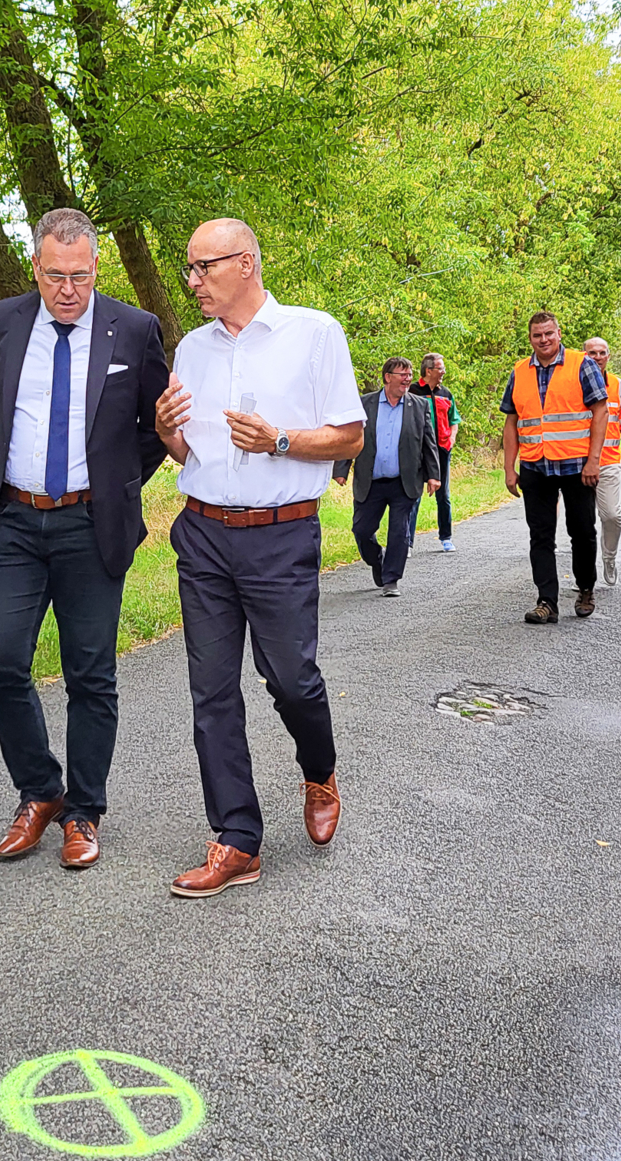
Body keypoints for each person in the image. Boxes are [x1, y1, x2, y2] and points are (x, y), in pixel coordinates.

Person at [153, 218, 366, 898]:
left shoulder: (314, 333)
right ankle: (237, 840)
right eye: (190, 270)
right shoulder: (191, 349)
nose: (193, 283)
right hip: (204, 533)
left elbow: (349, 439)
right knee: (211, 691)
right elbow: (193, 453)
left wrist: (278, 441)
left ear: (244, 263)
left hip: (281, 535)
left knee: (291, 679)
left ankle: (320, 769)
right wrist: (165, 435)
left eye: (202, 268)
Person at [0, 208, 170, 871]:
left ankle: (84, 811)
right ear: (36, 268)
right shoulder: (3, 321)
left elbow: (155, 424)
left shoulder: (134, 329)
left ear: (96, 269)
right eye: (54, 276)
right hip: (15, 520)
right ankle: (40, 791)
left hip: (92, 525)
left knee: (91, 672)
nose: (67, 289)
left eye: (79, 276)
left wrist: (112, 484)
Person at [502, 311, 609, 623]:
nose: (544, 340)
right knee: (540, 535)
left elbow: (600, 412)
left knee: (582, 531)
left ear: (559, 333)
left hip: (577, 465)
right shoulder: (520, 371)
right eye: (537, 335)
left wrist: (593, 460)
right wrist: (510, 467)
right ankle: (546, 601)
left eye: (549, 333)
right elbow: (512, 422)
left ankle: (586, 588)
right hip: (536, 465)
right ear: (530, 338)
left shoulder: (582, 364)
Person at [333, 357, 441, 597]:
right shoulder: (365, 404)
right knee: (361, 530)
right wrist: (341, 469)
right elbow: (351, 437)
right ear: (387, 377)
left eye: (410, 374)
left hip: (404, 481)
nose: (407, 379)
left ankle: (391, 579)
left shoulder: (419, 406)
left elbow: (428, 443)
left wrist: (433, 475)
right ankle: (377, 560)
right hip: (370, 481)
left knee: (399, 531)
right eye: (402, 374)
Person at [584, 337, 621, 586]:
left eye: (602, 353)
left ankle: (609, 557)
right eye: (592, 353)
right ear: (584, 355)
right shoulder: (573, 384)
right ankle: (584, 574)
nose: (597, 357)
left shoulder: (618, 386)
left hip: (608, 463)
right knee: (583, 523)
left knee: (612, 516)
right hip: (578, 463)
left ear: (608, 356)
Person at [410, 353, 462, 551]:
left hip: (441, 450)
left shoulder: (446, 394)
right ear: (428, 370)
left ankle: (446, 537)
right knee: (413, 496)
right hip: (417, 451)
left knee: (444, 495)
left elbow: (454, 420)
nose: (443, 372)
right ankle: (407, 542)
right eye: (440, 368)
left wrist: (452, 438)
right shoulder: (412, 392)